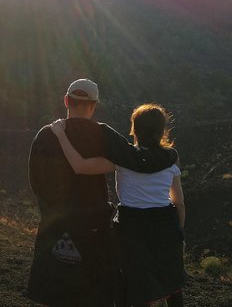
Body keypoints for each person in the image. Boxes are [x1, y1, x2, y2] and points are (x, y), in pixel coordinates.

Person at [26, 80, 177, 307]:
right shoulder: (102, 133)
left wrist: (51, 211)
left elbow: (36, 180)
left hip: (53, 226)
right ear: (94, 105)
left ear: (67, 101)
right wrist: (170, 156)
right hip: (93, 229)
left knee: (55, 292)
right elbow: (138, 160)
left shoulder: (46, 135)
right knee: (93, 296)